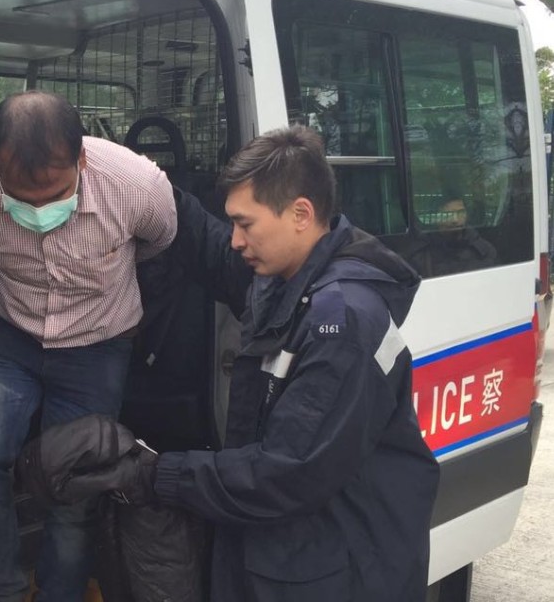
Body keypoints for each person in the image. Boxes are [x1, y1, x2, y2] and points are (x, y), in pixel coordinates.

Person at [33, 126, 440, 602]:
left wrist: (151, 474)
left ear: (301, 215)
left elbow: (286, 473)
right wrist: (131, 174)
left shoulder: (341, 322)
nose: (235, 240)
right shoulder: (285, 281)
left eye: (246, 224)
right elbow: (207, 246)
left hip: (336, 570)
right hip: (292, 558)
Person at [0, 91, 177, 601]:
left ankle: (60, 594)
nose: (39, 208)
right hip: (11, 336)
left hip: (99, 344)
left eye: (53, 191)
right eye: (21, 196)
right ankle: (0, 590)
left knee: (74, 488)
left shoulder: (138, 188)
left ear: (82, 157)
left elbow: (158, 243)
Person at [408, 195, 498, 277]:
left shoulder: (484, 250)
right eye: (448, 214)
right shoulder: (421, 255)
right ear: (436, 217)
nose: (455, 220)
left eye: (460, 212)